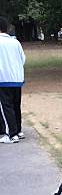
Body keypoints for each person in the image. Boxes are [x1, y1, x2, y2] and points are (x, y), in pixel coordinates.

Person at [0, 16, 26, 144]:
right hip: (17, 79)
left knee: (6, 106)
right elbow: (23, 59)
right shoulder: (15, 42)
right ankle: (18, 130)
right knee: (16, 105)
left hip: (3, 79)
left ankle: (10, 134)